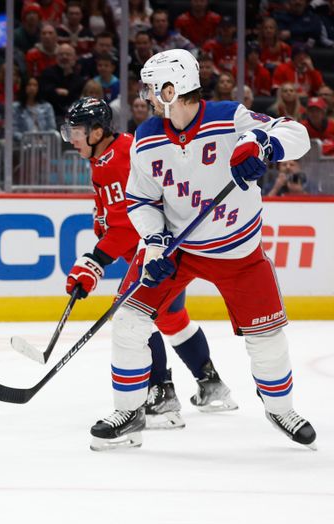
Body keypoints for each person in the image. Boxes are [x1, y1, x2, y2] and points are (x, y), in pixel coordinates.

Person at [90, 48, 316, 451]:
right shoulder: (147, 138)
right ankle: (129, 411)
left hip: (239, 251)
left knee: (267, 338)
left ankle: (280, 408)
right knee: (128, 320)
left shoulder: (230, 117)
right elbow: (140, 200)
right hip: (177, 248)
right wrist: (156, 243)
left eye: (151, 86)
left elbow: (297, 134)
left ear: (171, 87)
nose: (145, 94)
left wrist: (264, 147)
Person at [62, 97, 233, 430]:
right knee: (171, 318)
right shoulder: (108, 155)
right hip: (159, 249)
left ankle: (162, 396)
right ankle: (211, 386)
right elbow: (116, 218)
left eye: (77, 131)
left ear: (97, 132)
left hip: (157, 251)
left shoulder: (119, 159)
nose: (71, 137)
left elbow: (128, 225)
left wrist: (96, 261)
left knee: (137, 318)